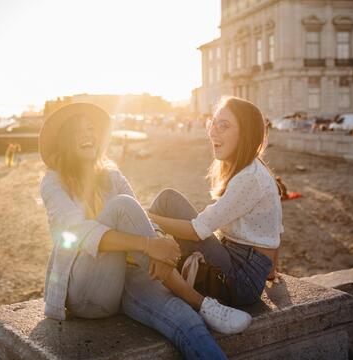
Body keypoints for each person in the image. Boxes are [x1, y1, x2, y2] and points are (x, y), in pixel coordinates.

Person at [39, 103, 252, 360]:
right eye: (77, 131)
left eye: (91, 128)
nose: (87, 135)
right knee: (121, 206)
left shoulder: (111, 175)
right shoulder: (53, 181)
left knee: (184, 320)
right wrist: (149, 245)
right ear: (64, 140)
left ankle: (199, 311)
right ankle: (201, 302)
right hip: (85, 291)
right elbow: (78, 233)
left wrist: (159, 238)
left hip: (126, 274)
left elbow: (138, 217)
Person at [148, 96, 283, 309]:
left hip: (239, 282)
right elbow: (275, 229)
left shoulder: (249, 178)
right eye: (213, 122)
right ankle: (150, 258)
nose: (213, 131)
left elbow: (195, 231)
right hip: (240, 267)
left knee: (167, 201)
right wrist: (271, 270)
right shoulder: (254, 169)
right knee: (164, 209)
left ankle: (144, 267)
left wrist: (147, 218)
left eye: (224, 125)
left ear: (246, 134)